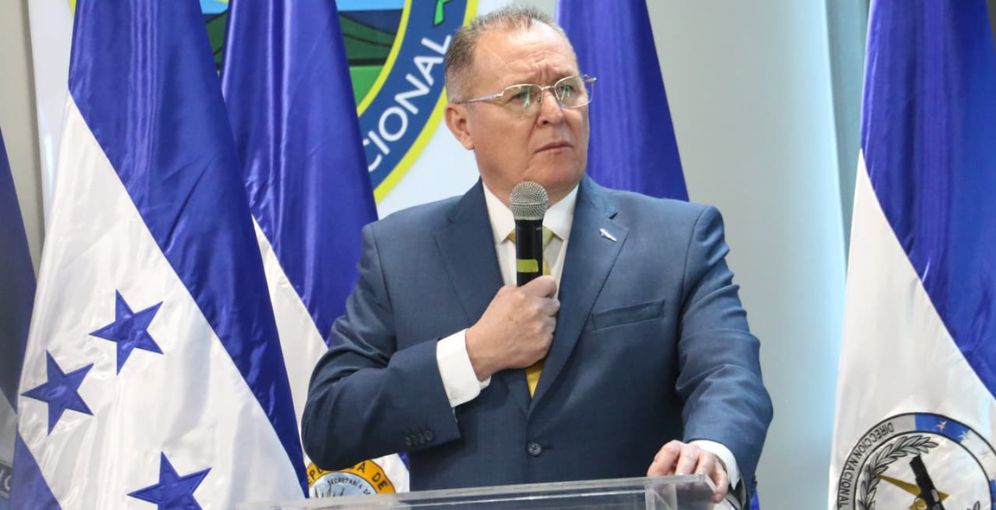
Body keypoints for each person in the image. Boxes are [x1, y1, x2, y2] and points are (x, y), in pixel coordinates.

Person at [302, 6, 772, 507]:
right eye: (522, 96)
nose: (553, 112)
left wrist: (711, 451)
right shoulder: (399, 252)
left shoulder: (677, 239)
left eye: (567, 89)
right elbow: (331, 421)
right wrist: (472, 354)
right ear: (462, 125)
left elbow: (729, 376)